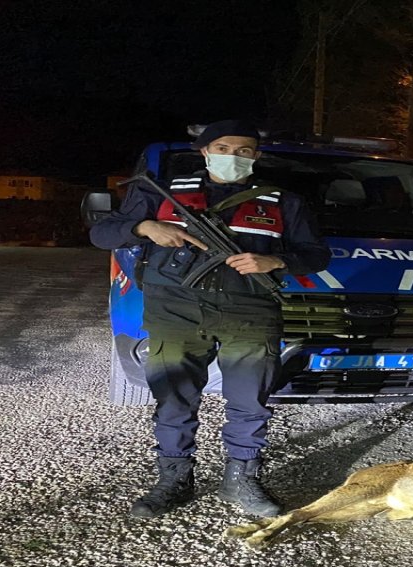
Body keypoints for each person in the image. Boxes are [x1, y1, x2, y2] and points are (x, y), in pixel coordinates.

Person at [90, 119, 330, 520]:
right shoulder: (160, 193)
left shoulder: (282, 200)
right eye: (222, 147)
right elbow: (104, 234)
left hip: (250, 311)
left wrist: (275, 260)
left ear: (256, 156)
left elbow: (317, 254)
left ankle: (241, 479)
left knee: (250, 400)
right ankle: (173, 479)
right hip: (175, 308)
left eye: (243, 151)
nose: (232, 157)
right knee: (174, 397)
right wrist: (145, 226)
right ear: (204, 151)